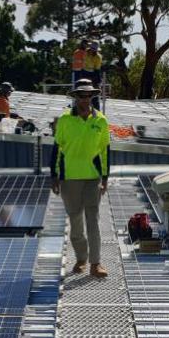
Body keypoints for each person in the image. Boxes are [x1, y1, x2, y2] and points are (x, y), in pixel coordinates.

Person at [52, 78, 110, 278]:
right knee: (76, 220)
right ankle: (81, 259)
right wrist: (55, 176)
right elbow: (57, 148)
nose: (85, 99)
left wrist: (105, 177)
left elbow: (104, 150)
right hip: (70, 179)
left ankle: (96, 263)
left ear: (92, 96)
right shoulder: (65, 120)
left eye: (88, 95)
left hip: (92, 178)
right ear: (75, 97)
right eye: (81, 95)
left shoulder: (101, 120)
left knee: (93, 219)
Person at [84, 41, 104, 109]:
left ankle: (96, 110)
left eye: (94, 49)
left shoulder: (98, 57)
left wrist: (96, 81)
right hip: (84, 73)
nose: (92, 51)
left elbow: (97, 70)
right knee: (83, 93)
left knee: (94, 95)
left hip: (93, 74)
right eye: (91, 49)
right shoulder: (86, 52)